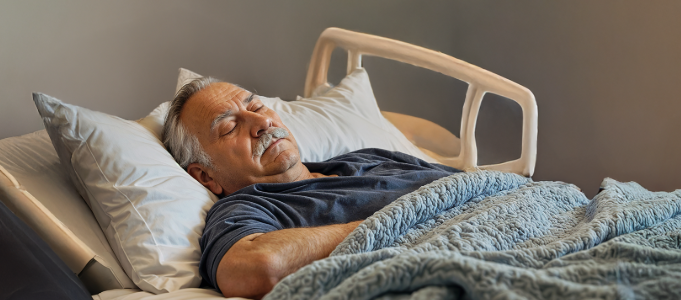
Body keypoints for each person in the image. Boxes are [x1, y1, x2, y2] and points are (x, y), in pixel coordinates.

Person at [162, 77, 459, 299]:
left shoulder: (368, 158)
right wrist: (401, 222)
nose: (262, 122)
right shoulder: (244, 211)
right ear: (206, 177)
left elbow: (474, 187)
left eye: (257, 106)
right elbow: (257, 266)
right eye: (229, 127)